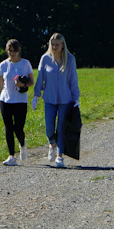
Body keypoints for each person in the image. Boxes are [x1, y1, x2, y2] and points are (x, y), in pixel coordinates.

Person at [32, 33, 80, 169]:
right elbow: (40, 77)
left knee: (61, 128)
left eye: (57, 44)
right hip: (49, 98)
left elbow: (73, 79)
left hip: (66, 99)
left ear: (63, 44)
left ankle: (60, 156)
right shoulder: (45, 58)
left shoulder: (70, 59)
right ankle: (52, 144)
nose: (54, 47)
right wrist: (36, 96)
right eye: (52, 44)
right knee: (49, 128)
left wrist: (76, 98)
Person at [0, 39, 34, 166]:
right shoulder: (3, 65)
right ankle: (11, 156)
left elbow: (31, 82)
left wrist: (22, 84)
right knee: (8, 127)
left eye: (14, 51)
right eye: (10, 51)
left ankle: (22, 144)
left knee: (18, 128)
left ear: (19, 50)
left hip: (20, 100)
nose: (12, 53)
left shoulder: (25, 64)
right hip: (6, 99)